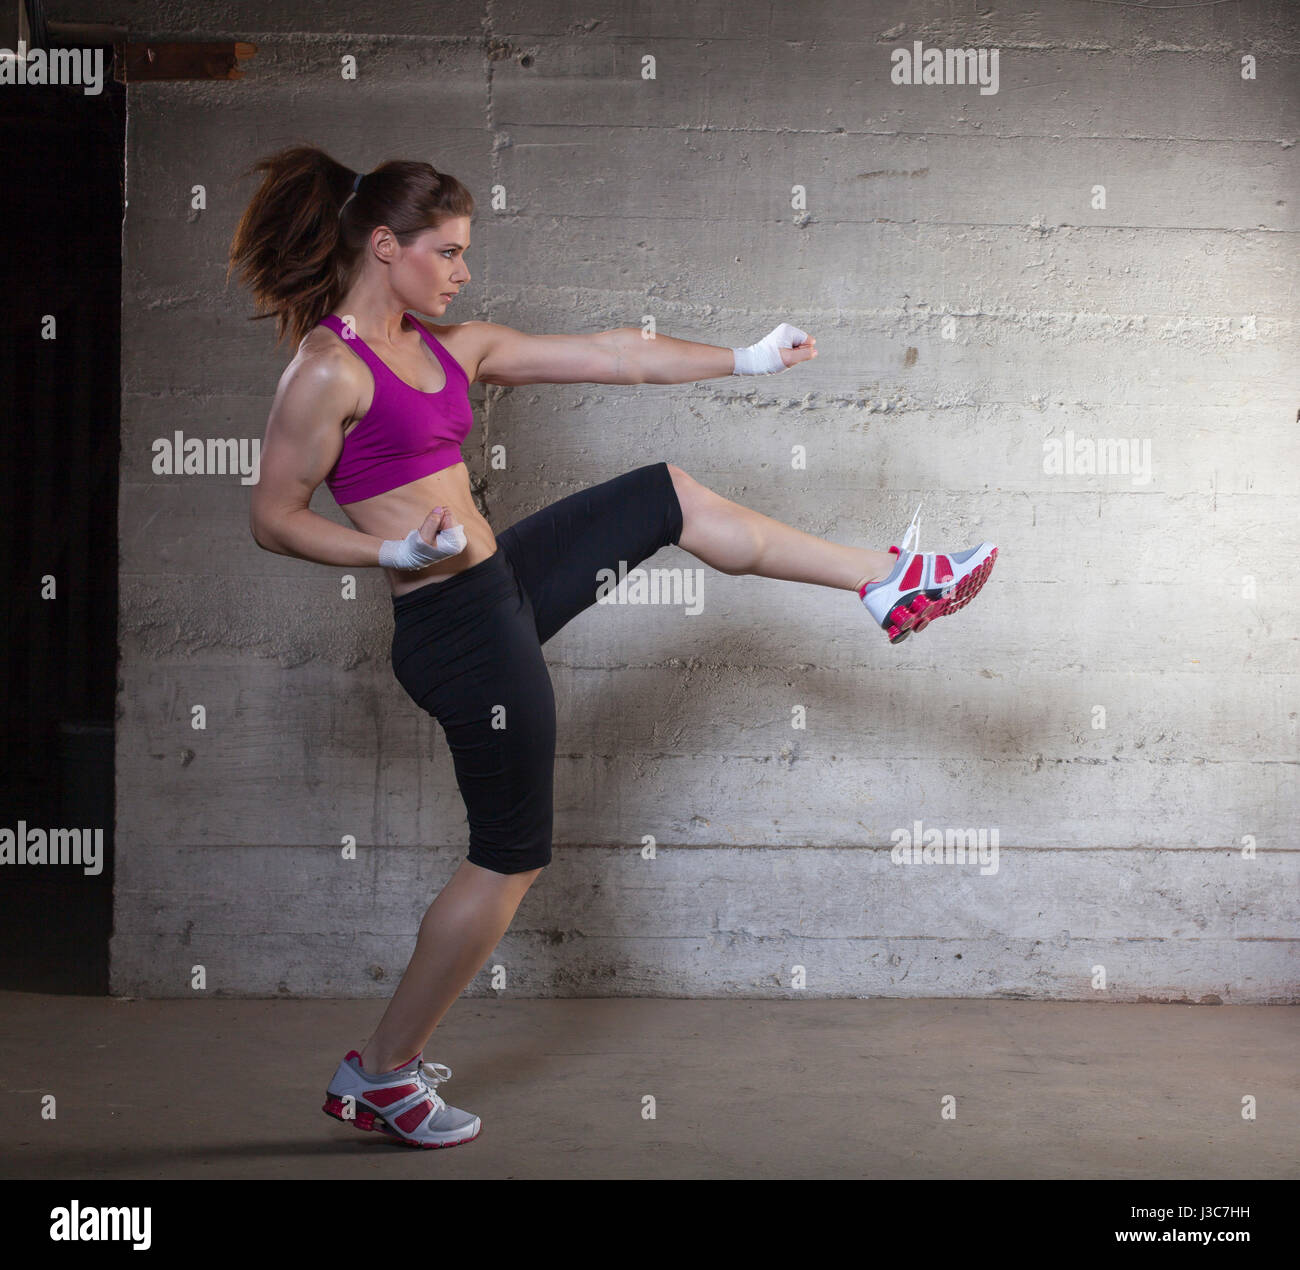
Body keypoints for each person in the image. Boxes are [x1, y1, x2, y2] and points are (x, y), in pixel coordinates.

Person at [226, 145, 997, 1149]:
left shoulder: (451, 347)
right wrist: (388, 549)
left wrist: (743, 358)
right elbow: (272, 517)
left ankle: (885, 583)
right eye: (448, 252)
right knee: (509, 857)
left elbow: (612, 352)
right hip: (455, 632)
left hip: (498, 588)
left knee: (665, 494)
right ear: (385, 247)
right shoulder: (325, 370)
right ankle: (382, 1071)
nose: (462, 272)